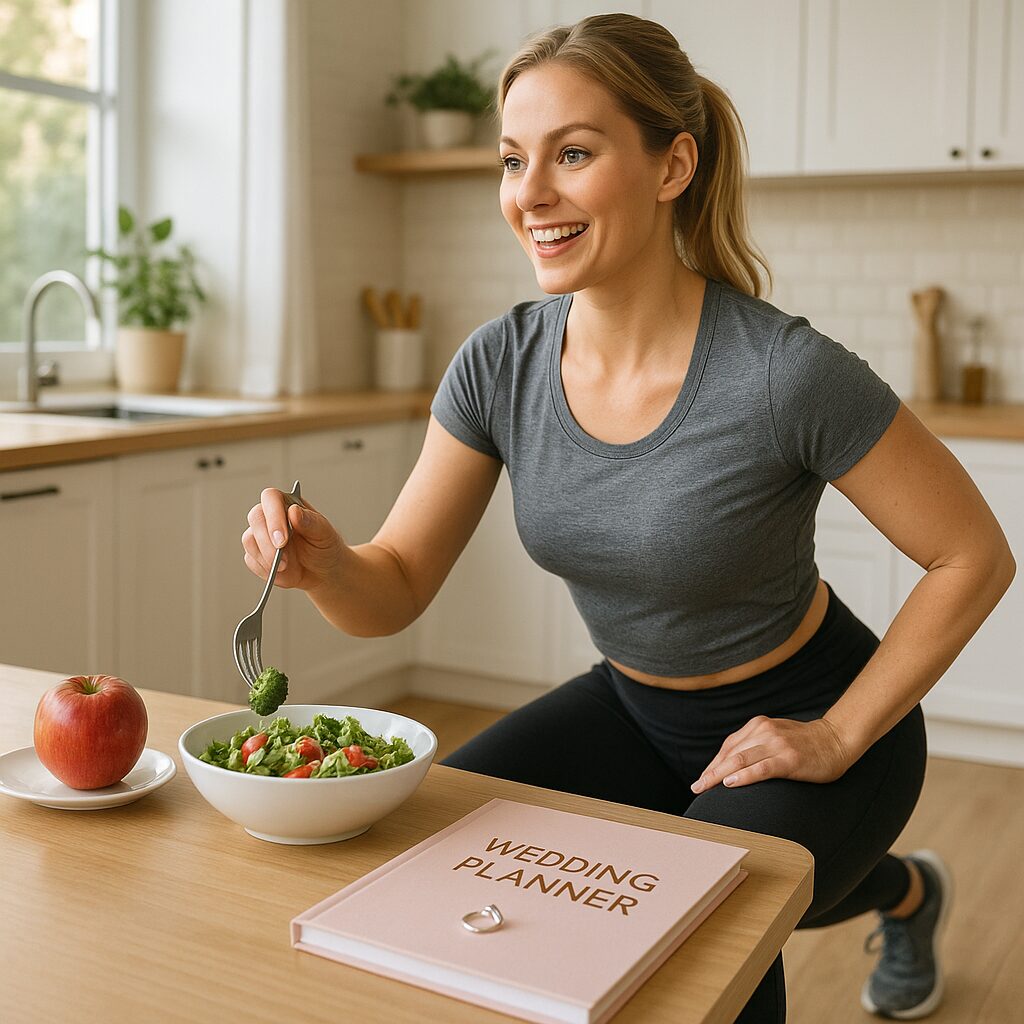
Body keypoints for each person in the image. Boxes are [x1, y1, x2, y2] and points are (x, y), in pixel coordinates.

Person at [242, 14, 1015, 1022]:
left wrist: (832, 736)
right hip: (632, 707)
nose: (531, 195)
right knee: (431, 838)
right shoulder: (499, 363)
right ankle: (895, 887)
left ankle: (897, 886)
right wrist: (324, 564)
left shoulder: (783, 373)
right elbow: (391, 589)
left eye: (573, 153)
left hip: (815, 718)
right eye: (514, 160)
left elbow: (973, 555)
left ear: (670, 165)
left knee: (706, 917)